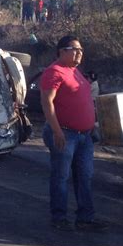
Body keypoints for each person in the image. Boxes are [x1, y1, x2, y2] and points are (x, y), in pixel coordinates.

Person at [40, 35, 108, 231]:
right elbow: (47, 103)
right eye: (75, 49)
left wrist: (91, 124)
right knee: (61, 176)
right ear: (62, 51)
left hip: (84, 136)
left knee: (84, 176)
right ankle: (59, 218)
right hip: (65, 134)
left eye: (81, 50)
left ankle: (85, 218)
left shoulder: (75, 71)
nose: (79, 53)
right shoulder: (54, 72)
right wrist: (56, 131)